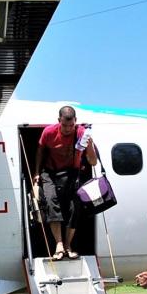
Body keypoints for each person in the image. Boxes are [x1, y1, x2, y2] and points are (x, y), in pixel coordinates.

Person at [33, 105, 97, 260]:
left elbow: (93, 162)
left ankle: (68, 245)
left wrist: (89, 144)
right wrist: (36, 172)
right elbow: (40, 151)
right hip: (50, 171)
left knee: (75, 207)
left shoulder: (82, 133)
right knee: (50, 202)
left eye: (71, 125)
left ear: (76, 121)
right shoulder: (48, 132)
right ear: (58, 121)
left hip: (72, 172)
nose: (68, 129)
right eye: (64, 125)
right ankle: (59, 244)